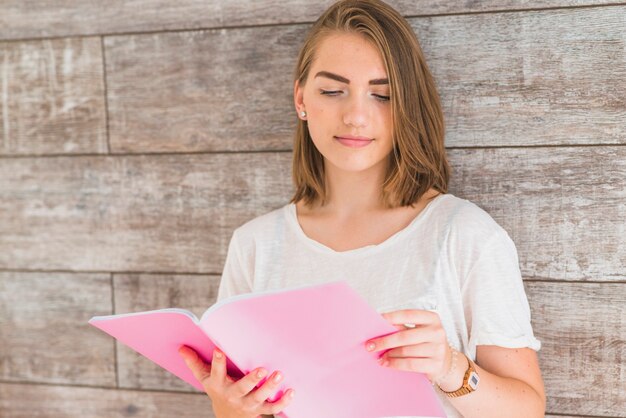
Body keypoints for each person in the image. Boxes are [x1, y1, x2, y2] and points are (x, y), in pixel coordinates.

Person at [178, 0, 546, 417]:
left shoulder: (465, 235)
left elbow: (527, 408)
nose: (355, 115)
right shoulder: (255, 245)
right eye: (332, 91)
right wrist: (230, 407)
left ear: (407, 105)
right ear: (301, 98)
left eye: (382, 95)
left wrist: (448, 366)